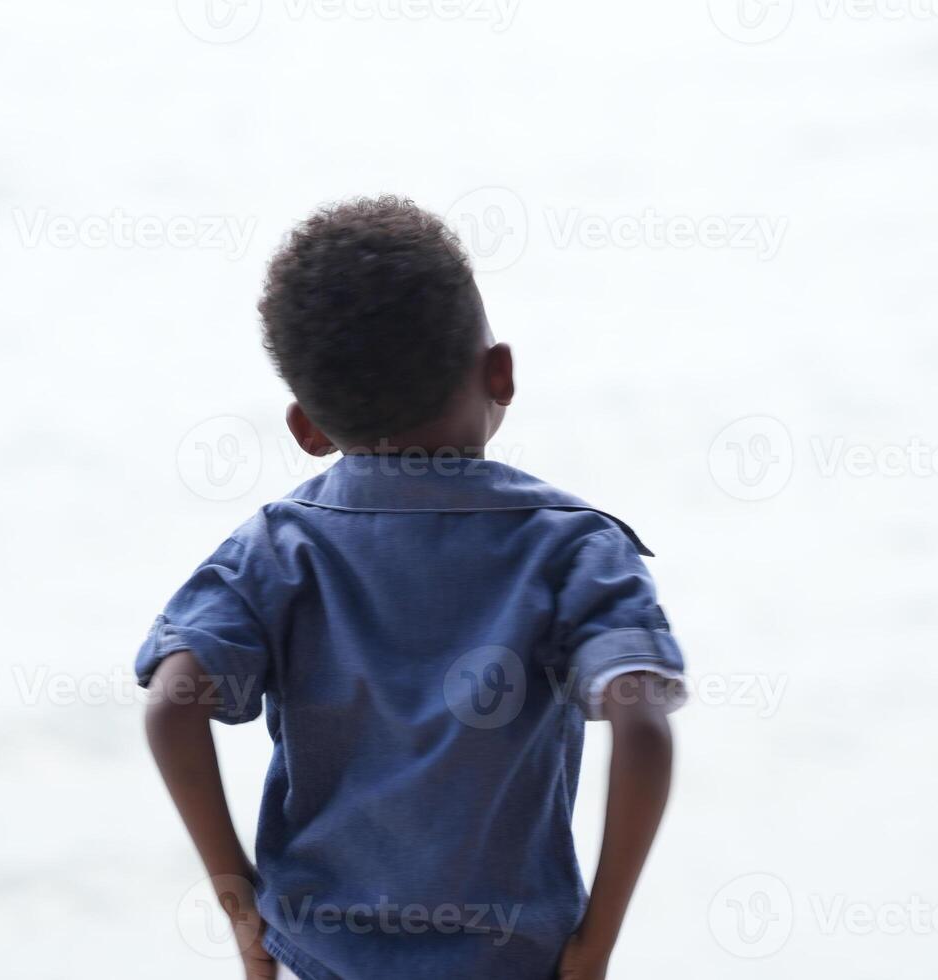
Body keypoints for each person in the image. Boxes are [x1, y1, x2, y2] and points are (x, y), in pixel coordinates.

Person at [139, 196, 687, 979]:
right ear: (499, 371)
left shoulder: (277, 551)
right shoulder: (572, 551)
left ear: (307, 427)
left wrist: (242, 910)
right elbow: (642, 727)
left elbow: (170, 705)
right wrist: (594, 943)